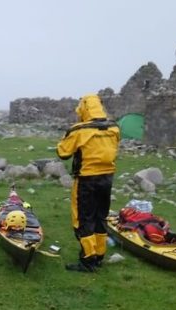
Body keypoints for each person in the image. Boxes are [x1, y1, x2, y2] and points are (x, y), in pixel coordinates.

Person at [56, 94, 120, 272]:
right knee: (101, 217)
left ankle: (87, 260)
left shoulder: (79, 130)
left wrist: (65, 136)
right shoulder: (114, 127)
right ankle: (99, 256)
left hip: (86, 180)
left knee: (83, 219)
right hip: (107, 178)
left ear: (84, 108)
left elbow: (63, 152)